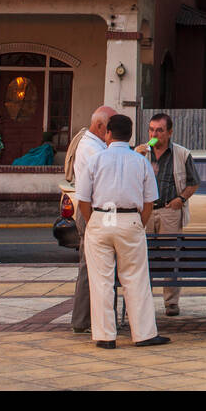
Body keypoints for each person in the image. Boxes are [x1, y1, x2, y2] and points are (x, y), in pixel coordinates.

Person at [78, 113, 169, 349]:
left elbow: (83, 200)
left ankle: (105, 336)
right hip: (130, 219)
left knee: (101, 281)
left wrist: (92, 222)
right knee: (136, 278)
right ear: (129, 135)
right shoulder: (140, 162)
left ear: (108, 133)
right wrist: (138, 222)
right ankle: (144, 334)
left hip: (100, 217)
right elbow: (149, 202)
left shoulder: (96, 159)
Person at [136, 112, 199, 316]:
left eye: (160, 130)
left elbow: (194, 182)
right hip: (145, 209)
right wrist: (135, 156)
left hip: (168, 209)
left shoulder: (181, 154)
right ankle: (142, 300)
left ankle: (171, 302)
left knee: (170, 255)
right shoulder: (141, 153)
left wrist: (180, 199)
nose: (155, 134)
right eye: (152, 130)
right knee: (143, 256)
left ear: (169, 132)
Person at [66, 106, 115, 334]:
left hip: (97, 212)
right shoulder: (90, 148)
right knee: (89, 267)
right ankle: (82, 320)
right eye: (110, 129)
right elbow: (107, 172)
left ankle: (92, 318)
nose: (112, 134)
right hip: (91, 212)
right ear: (100, 127)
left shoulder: (97, 145)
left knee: (98, 267)